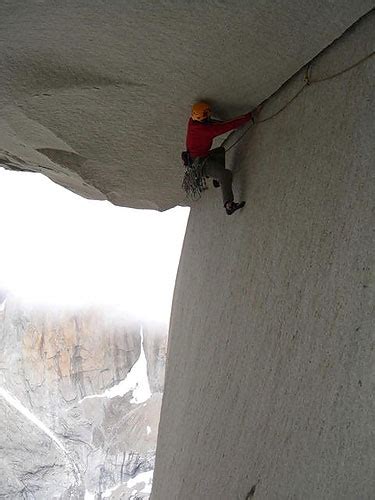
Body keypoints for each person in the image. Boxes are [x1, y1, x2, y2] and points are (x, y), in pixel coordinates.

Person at [185, 102, 255, 215]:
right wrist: (249, 116)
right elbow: (225, 126)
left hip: (200, 157)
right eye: (207, 114)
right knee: (225, 174)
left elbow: (214, 124)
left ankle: (217, 179)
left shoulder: (192, 122)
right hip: (200, 164)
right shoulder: (205, 130)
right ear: (203, 117)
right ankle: (229, 205)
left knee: (220, 151)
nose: (209, 115)